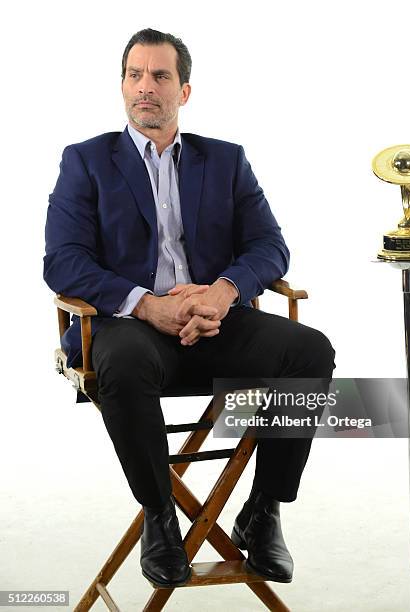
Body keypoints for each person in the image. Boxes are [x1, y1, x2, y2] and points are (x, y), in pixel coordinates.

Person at [43, 28, 335, 588]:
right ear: (122, 85)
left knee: (310, 351)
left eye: (160, 76)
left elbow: (270, 246)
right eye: (134, 75)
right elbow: (64, 262)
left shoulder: (225, 160)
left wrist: (222, 292)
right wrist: (146, 305)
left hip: (215, 321)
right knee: (124, 363)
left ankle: (263, 510)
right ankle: (160, 517)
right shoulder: (85, 161)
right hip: (130, 328)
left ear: (185, 90)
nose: (144, 88)